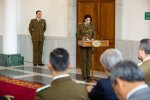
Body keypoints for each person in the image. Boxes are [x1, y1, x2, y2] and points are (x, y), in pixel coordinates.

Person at [76, 14, 96, 81]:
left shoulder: (92, 26)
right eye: (87, 20)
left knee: (89, 60)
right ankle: (84, 75)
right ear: (84, 19)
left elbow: (94, 34)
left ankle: (88, 75)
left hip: (90, 45)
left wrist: (93, 38)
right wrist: (82, 37)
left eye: (89, 20)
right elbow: (77, 35)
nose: (88, 21)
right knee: (84, 60)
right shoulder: (80, 26)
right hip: (83, 45)